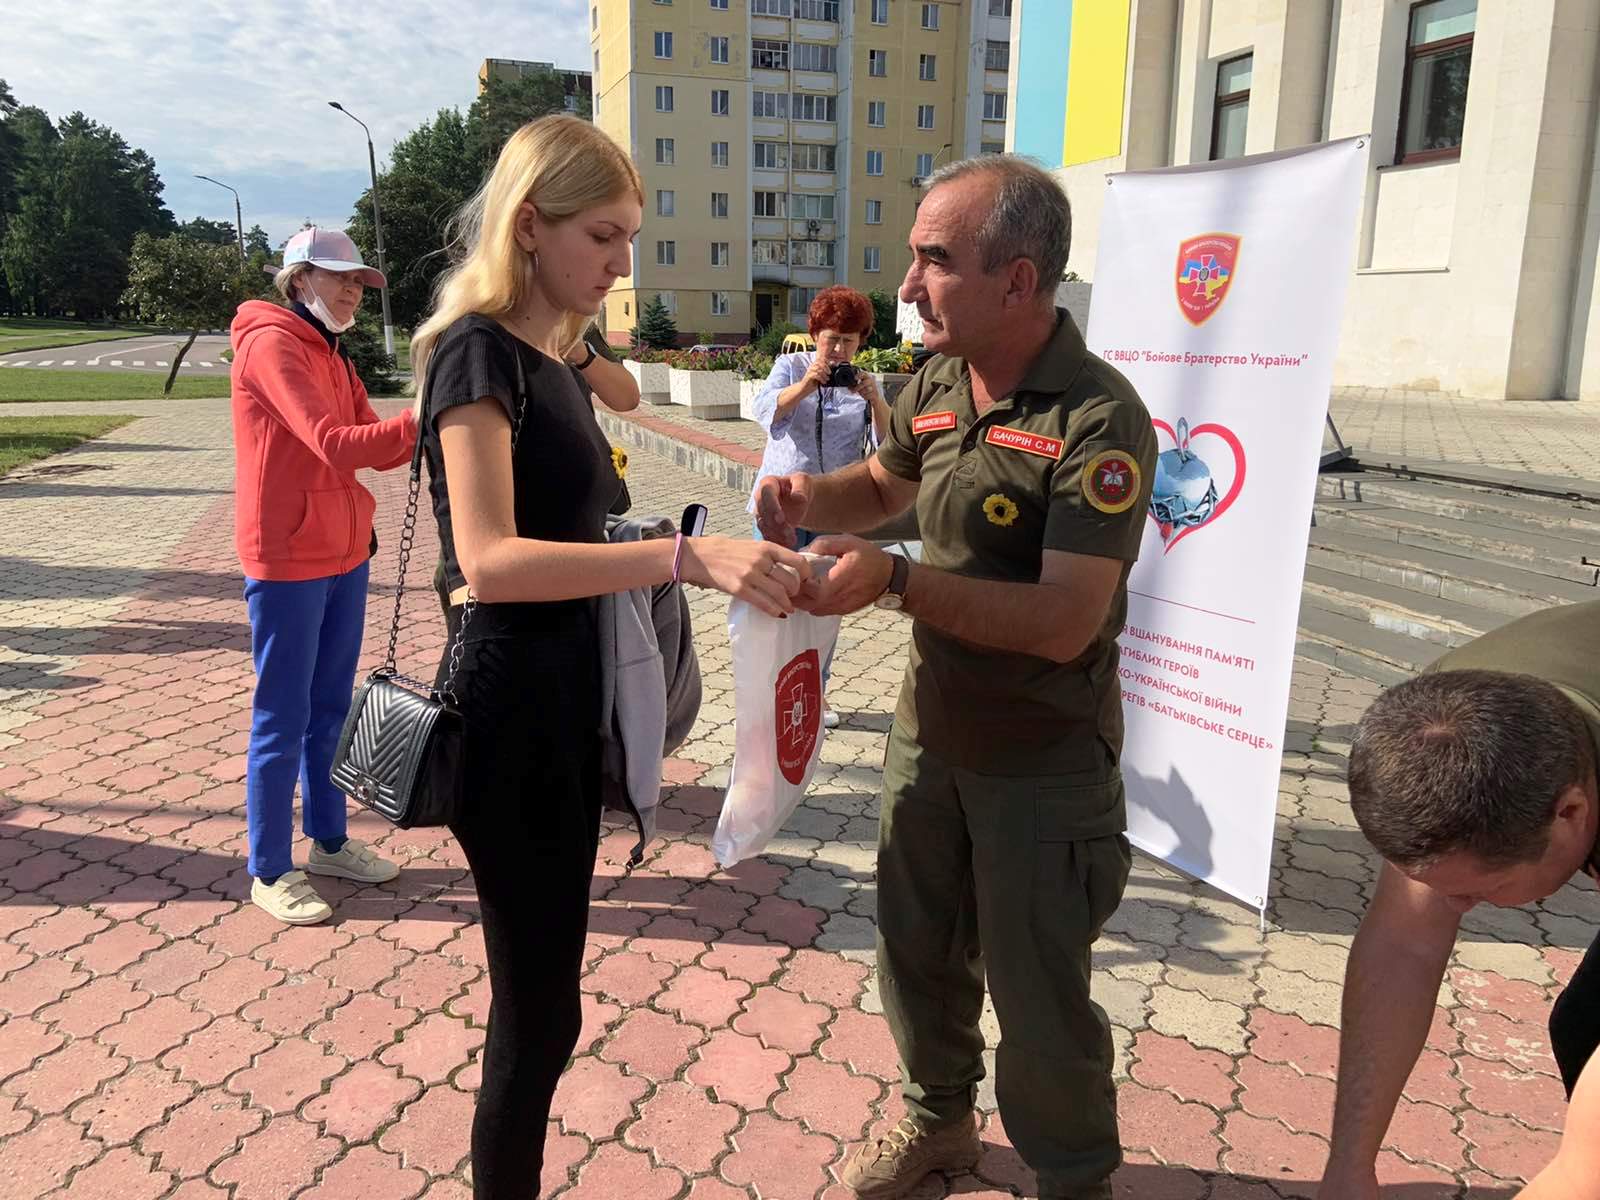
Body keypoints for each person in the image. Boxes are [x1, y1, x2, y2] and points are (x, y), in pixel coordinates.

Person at [408, 114, 811, 1200]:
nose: (623, 263)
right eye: (602, 235)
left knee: (547, 1008)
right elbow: (489, 561)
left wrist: (575, 329)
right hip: (509, 714)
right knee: (537, 1017)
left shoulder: (547, 354)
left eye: (631, 236)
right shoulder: (477, 353)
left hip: (563, 699)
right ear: (526, 225)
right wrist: (684, 556)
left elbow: (615, 406)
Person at [754, 155, 1157, 1200]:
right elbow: (881, 483)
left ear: (1018, 280)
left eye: (934, 259)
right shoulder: (935, 379)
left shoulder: (1098, 419)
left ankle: (1073, 1179)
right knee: (917, 953)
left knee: (1039, 995)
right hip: (929, 734)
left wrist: (894, 582)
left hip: (1042, 759)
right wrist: (803, 499)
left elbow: (1065, 622)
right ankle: (940, 1126)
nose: (907, 285)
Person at [1320, 599, 1600, 1199]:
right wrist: (1349, 1172)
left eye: (1479, 889)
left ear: (1570, 813)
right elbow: (1404, 946)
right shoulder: (1450, 724)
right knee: (1582, 1026)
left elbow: (1587, 1171)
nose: (1460, 907)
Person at [228, 227, 416, 925]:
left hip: (344, 551)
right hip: (287, 557)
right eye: (340, 279)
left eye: (359, 283)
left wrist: (438, 420)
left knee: (332, 707)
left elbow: (379, 448)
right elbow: (335, 444)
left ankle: (330, 843)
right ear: (300, 278)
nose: (352, 293)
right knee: (284, 714)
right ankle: (270, 868)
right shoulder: (272, 345)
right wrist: (424, 414)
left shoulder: (333, 353)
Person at [749, 285, 889, 726]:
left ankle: (815, 693)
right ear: (814, 336)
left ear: (861, 341)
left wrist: (876, 401)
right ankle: (768, 693)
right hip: (782, 508)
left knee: (825, 606)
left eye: (849, 340)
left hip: (836, 510)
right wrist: (806, 385)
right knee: (776, 598)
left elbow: (889, 445)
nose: (839, 349)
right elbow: (765, 412)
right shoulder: (790, 367)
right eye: (831, 339)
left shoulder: (862, 381)